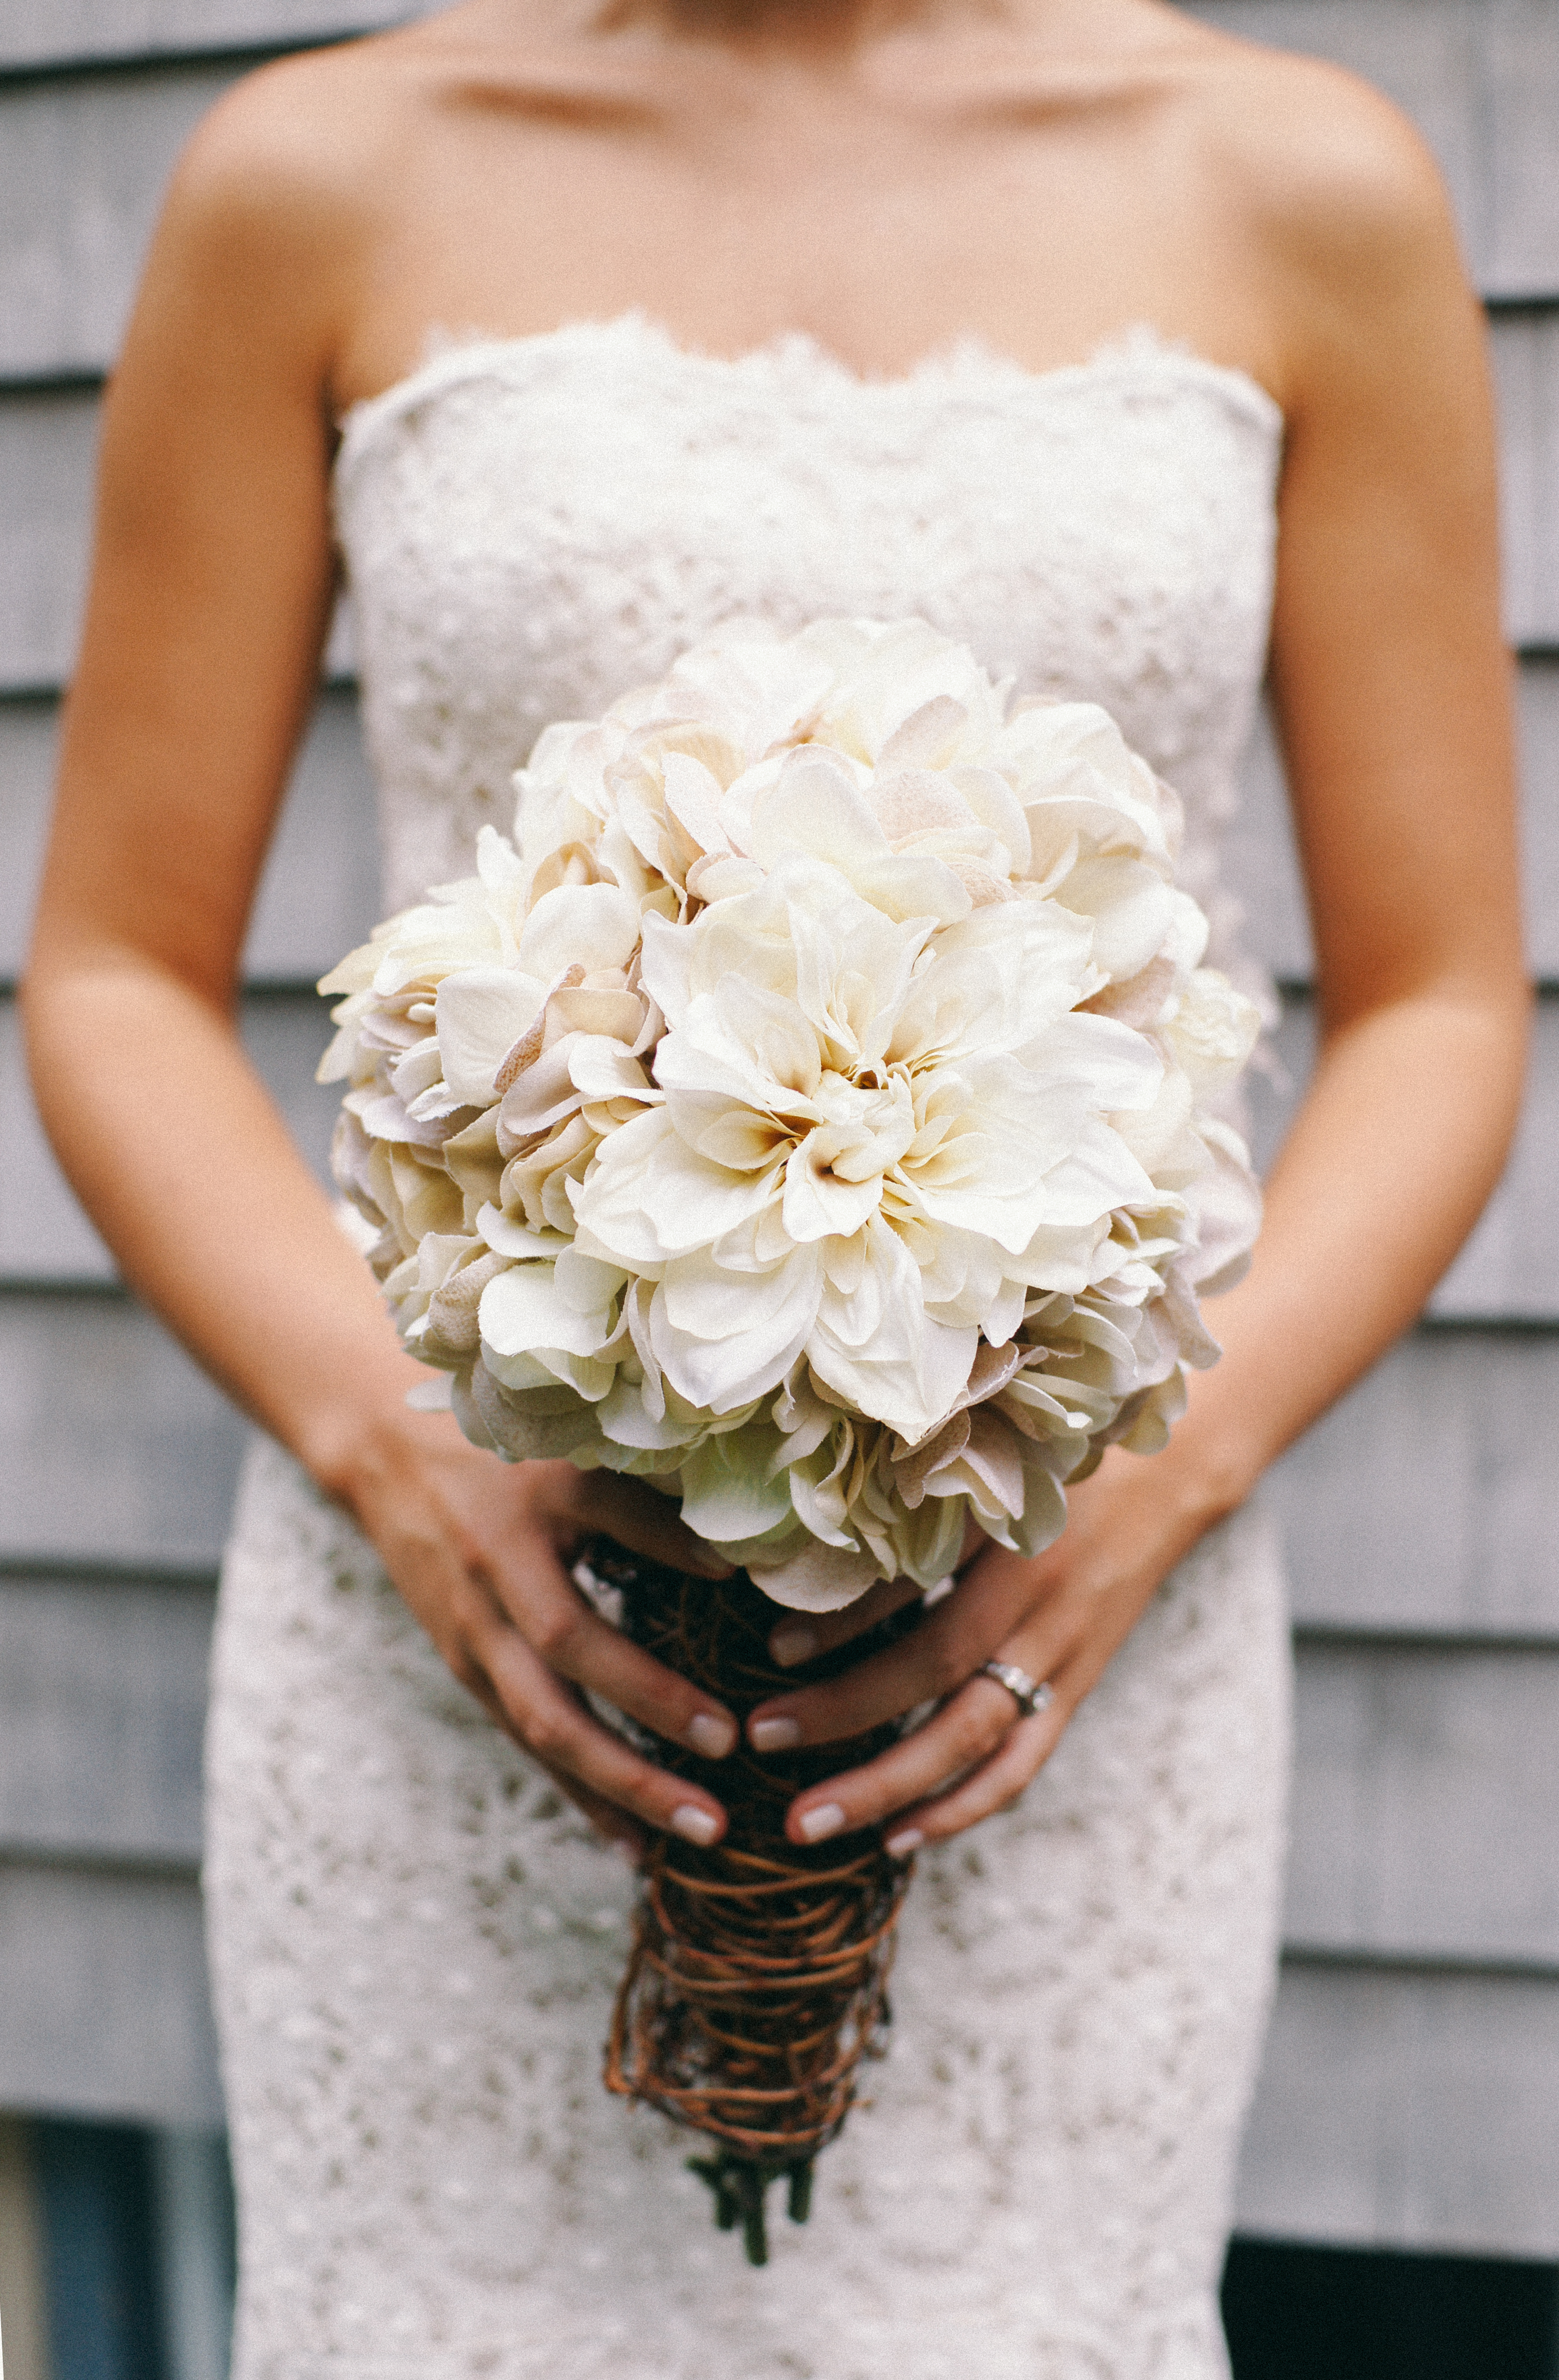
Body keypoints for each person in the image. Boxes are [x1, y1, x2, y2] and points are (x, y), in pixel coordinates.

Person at [24, 0, 1526, 2368]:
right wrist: (402, 1457)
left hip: (1065, 1636)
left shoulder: (1300, 188)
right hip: (467, 1601)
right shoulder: (312, 174)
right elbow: (110, 962)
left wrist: (1144, 1491)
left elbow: (1446, 993)